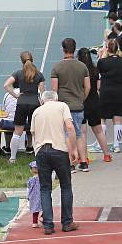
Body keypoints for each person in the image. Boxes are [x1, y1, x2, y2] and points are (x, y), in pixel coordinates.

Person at [31, 90, 79, 235]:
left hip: (41, 151)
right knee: (65, 185)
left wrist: (36, 150)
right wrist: (73, 149)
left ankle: (48, 225)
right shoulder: (62, 106)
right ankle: (67, 222)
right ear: (56, 98)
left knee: (45, 188)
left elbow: (33, 133)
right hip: (59, 150)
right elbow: (69, 127)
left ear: (42, 100)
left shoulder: (37, 111)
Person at [50, 38, 90, 168]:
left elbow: (54, 90)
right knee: (78, 134)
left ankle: (70, 163)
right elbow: (88, 87)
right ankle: (83, 162)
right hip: (78, 106)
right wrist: (81, 98)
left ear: (63, 49)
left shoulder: (57, 67)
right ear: (74, 49)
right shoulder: (82, 67)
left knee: (66, 135)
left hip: (63, 107)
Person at [4, 51, 45, 163]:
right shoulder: (39, 74)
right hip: (35, 104)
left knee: (17, 132)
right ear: (32, 59)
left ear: (21, 61)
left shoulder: (18, 73)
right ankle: (38, 158)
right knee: (35, 132)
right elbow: (42, 93)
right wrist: (42, 103)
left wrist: (15, 95)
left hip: (21, 103)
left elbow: (6, 85)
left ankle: (12, 158)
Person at [77, 48, 112, 164]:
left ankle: (84, 158)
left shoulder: (80, 70)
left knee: (82, 132)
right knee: (98, 130)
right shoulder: (95, 70)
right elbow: (97, 87)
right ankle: (106, 155)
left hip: (82, 102)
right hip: (94, 102)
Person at [97, 39, 122, 154]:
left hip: (106, 91)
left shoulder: (103, 62)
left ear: (107, 48)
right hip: (120, 91)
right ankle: (116, 145)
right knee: (117, 118)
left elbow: (98, 69)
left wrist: (102, 55)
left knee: (102, 118)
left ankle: (102, 144)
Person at [27, 161, 43, 228]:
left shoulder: (30, 180)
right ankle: (42, 217)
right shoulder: (42, 178)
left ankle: (34, 223)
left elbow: (28, 188)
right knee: (45, 206)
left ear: (31, 170)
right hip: (41, 195)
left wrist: (28, 196)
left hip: (33, 196)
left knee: (35, 210)